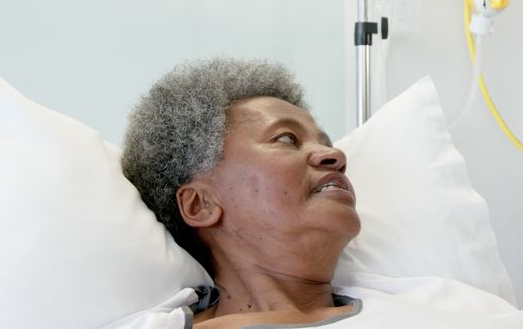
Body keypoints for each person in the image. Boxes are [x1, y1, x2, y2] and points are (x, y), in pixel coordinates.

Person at [121, 58, 362, 327]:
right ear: (201, 205)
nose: (335, 155)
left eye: (325, 143)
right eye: (287, 139)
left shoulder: (409, 307)